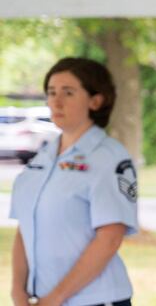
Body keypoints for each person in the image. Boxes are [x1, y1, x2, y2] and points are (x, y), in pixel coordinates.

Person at [10, 57, 138, 306]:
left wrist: (56, 298)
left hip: (95, 300)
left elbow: (110, 238)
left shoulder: (109, 157)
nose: (56, 101)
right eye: (51, 92)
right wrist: (18, 291)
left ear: (95, 100)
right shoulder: (44, 156)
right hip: (42, 299)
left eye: (68, 93)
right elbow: (25, 227)